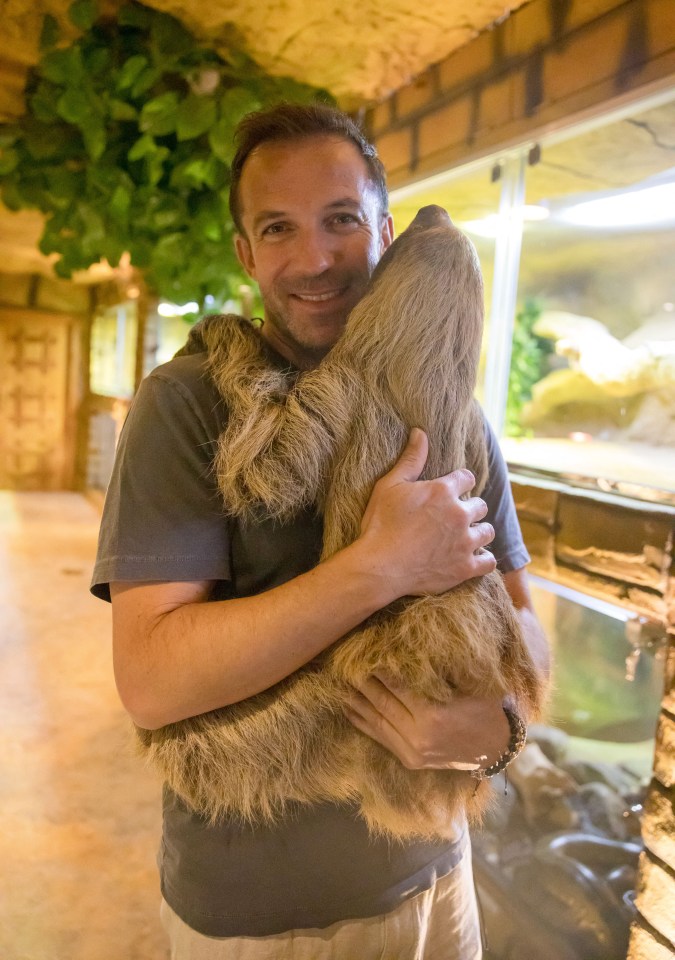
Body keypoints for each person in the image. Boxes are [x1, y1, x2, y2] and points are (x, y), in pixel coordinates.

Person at [91, 102, 549, 959]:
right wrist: (382, 566)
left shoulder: (456, 418)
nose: (315, 259)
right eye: (278, 228)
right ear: (246, 252)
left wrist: (502, 731)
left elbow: (524, 638)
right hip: (263, 919)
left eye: (340, 220)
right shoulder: (185, 402)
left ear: (382, 231)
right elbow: (151, 684)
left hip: (437, 877)